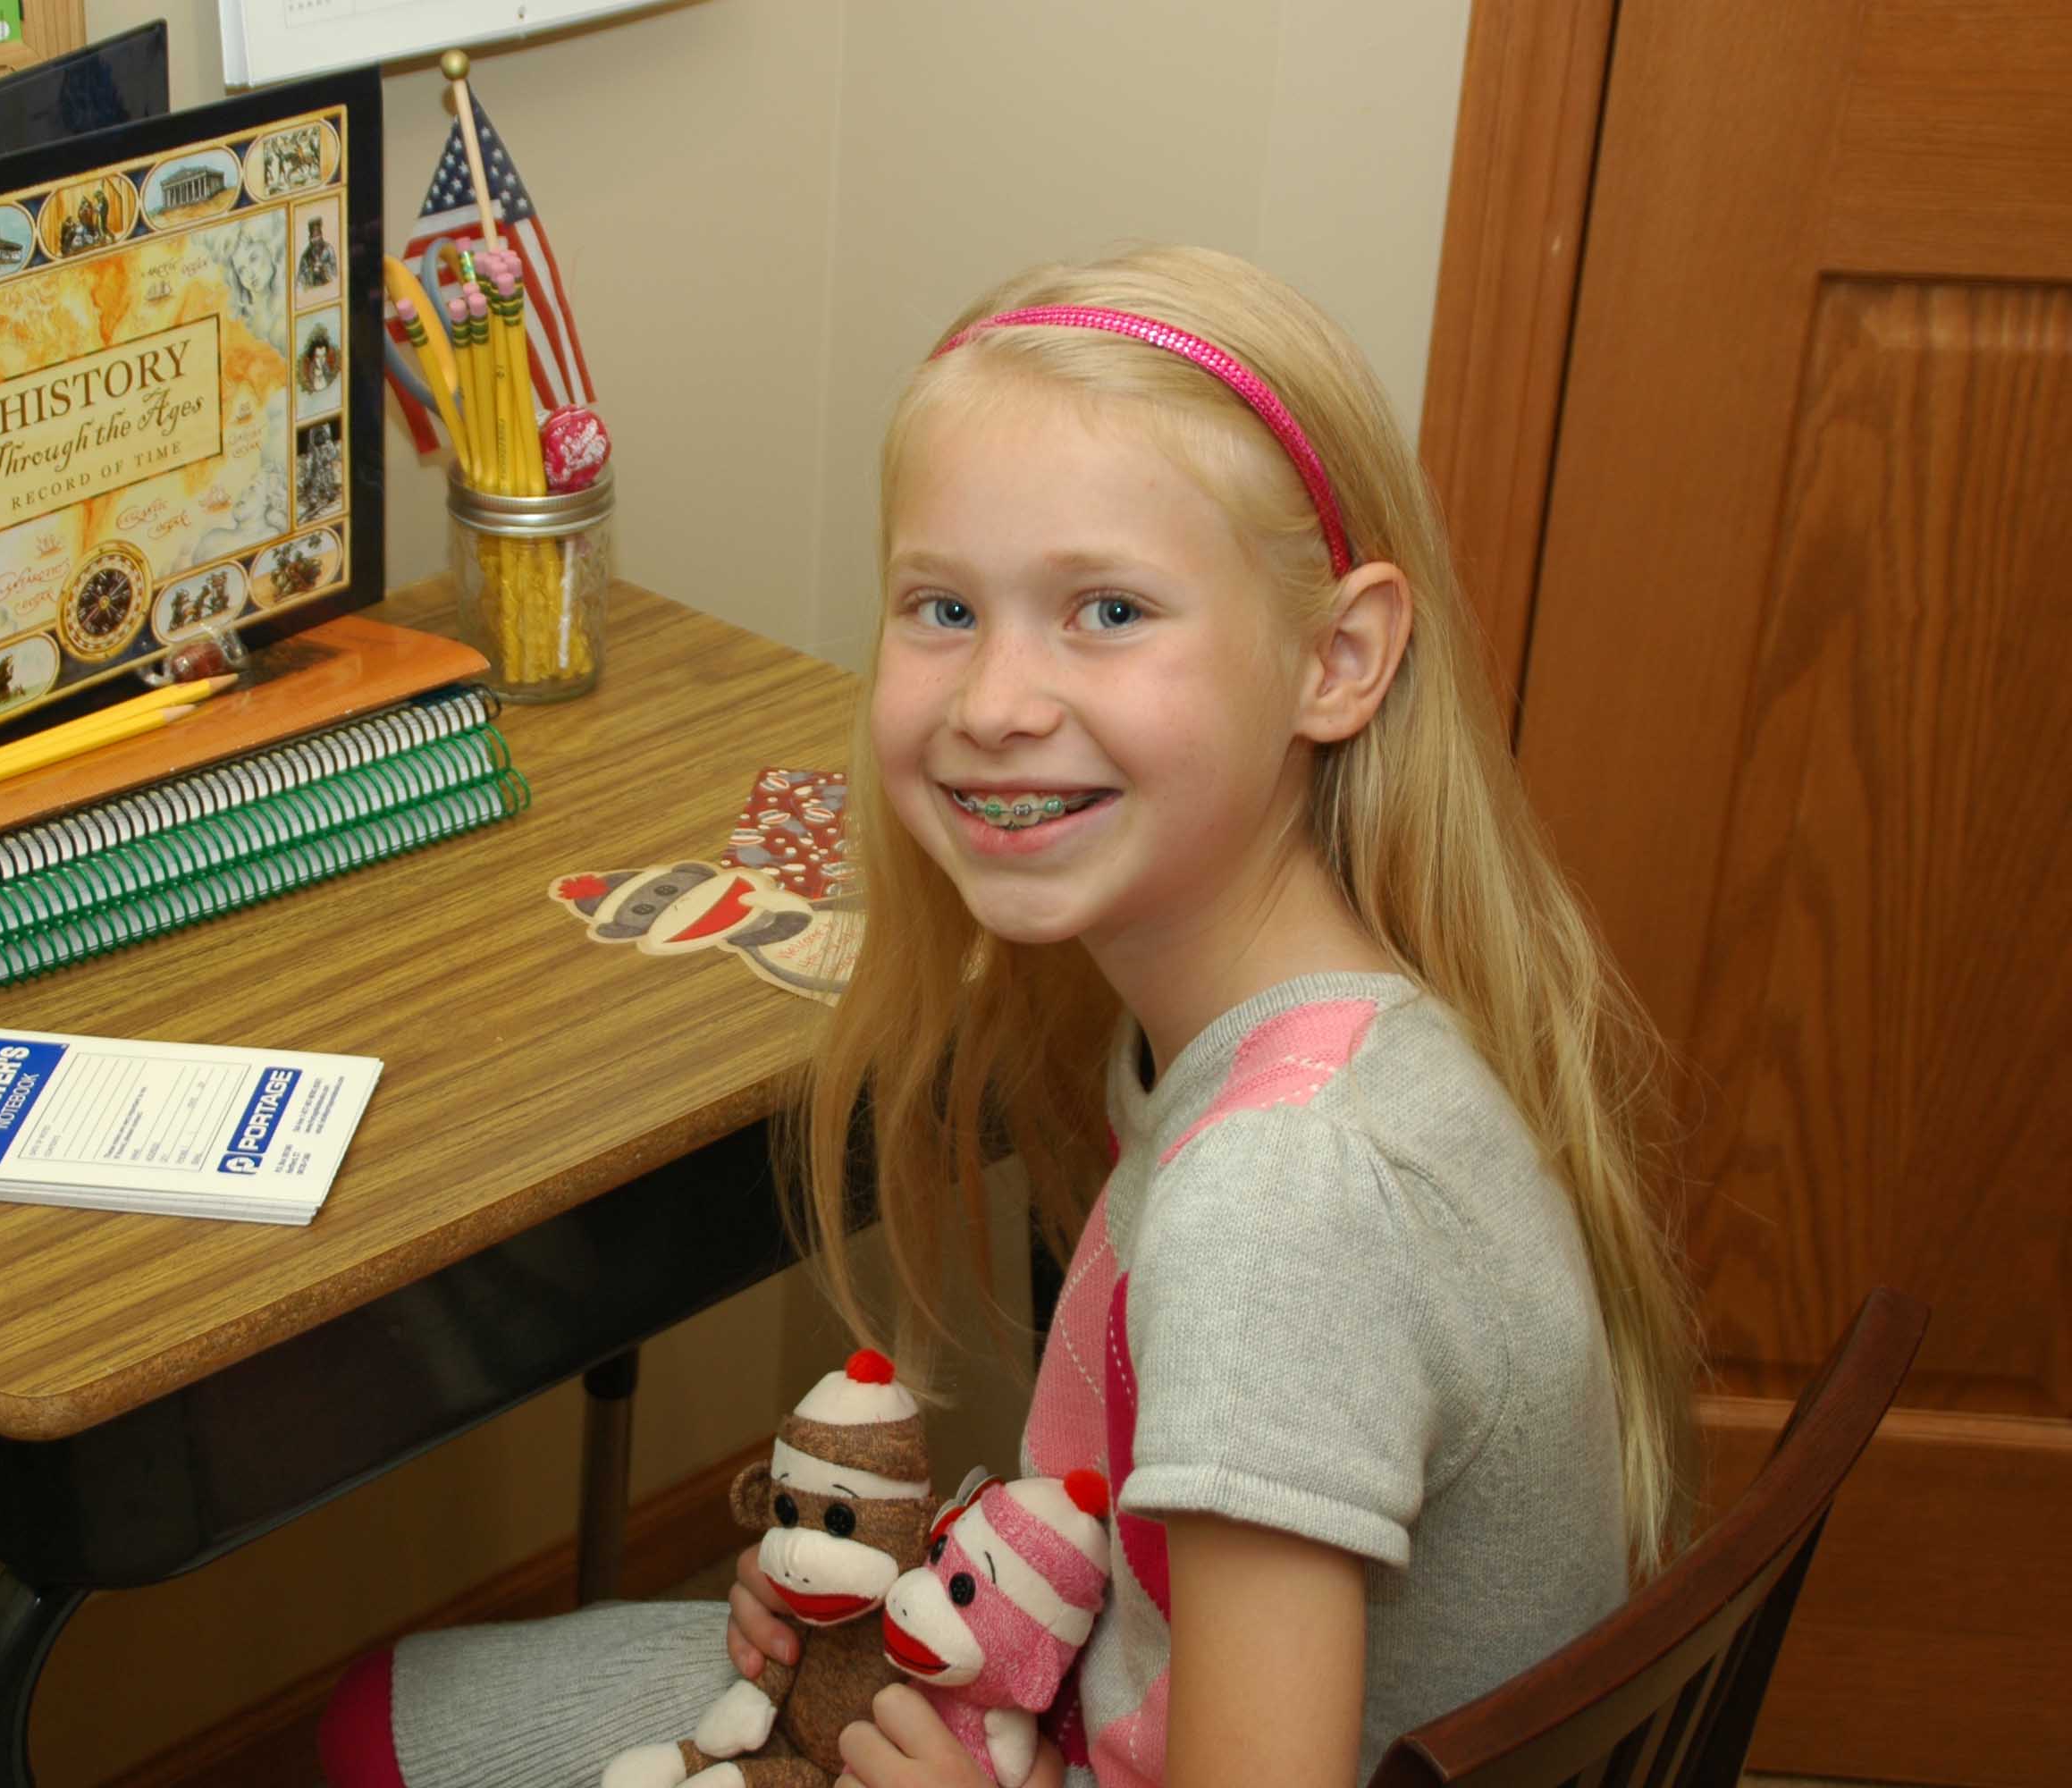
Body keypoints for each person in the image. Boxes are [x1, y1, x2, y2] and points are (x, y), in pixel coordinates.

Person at [316, 245, 1699, 1788]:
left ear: (1338, 659)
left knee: (372, 1739)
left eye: (1107, 609)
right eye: (944, 608)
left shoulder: (1281, 1203)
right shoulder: (1293, 1032)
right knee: (388, 1720)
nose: (993, 702)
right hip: (1091, 1700)